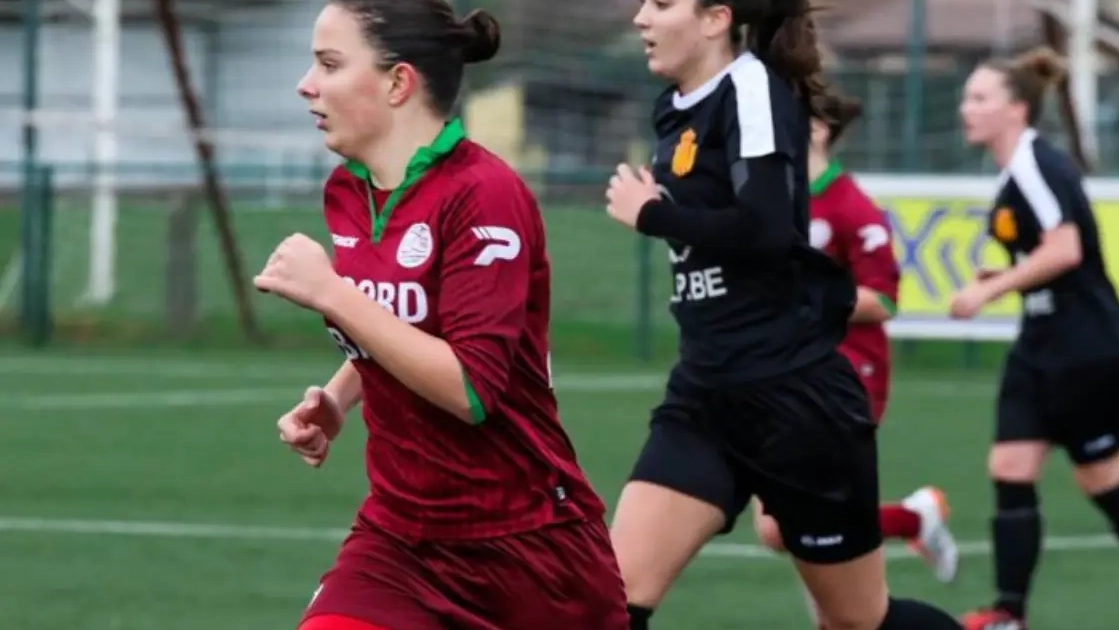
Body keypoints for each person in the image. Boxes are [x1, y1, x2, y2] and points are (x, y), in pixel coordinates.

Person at [255, 2, 629, 629]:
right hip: (400, 540)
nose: (306, 84)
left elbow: (469, 389)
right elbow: (407, 318)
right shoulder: (348, 190)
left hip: (531, 553)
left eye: (330, 64)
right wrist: (341, 396)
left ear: (398, 82)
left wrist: (331, 293)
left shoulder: (483, 193)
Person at [603, 1, 964, 629]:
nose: (640, 17)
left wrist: (655, 215)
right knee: (608, 601)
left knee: (858, 621)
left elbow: (767, 227)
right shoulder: (674, 107)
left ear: (715, 19)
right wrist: (670, 210)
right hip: (705, 395)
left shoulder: (750, 89)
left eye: (661, 3)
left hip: (794, 403)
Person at [951, 46, 1119, 630]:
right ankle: (1010, 614)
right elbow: (1048, 256)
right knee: (1010, 465)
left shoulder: (1037, 164)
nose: (966, 108)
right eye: (967, 97)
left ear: (1016, 109)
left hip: (1086, 345)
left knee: (1102, 478)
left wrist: (990, 290)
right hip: (1041, 340)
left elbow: (1065, 250)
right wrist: (1006, 276)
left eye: (980, 98)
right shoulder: (1017, 169)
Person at [750, 91, 959, 627]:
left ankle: (911, 523)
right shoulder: (775, 197)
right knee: (783, 530)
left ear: (818, 130)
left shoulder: (850, 207)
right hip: (784, 378)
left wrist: (804, 300)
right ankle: (912, 518)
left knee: (798, 531)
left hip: (848, 376)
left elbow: (884, 300)